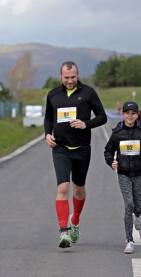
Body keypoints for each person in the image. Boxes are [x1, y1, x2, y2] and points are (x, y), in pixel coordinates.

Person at [44, 61, 107, 248]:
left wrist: (85, 124)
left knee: (78, 189)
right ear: (60, 76)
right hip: (60, 148)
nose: (70, 81)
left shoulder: (88, 93)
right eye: (66, 77)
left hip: (82, 148)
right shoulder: (53, 94)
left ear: (78, 74)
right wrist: (47, 134)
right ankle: (64, 232)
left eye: (73, 77)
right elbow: (48, 117)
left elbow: (102, 116)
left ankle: (75, 220)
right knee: (63, 188)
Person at [104, 101, 141, 254]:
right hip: (123, 174)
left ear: (137, 115)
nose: (130, 115)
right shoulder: (117, 132)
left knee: (137, 206)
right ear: (123, 114)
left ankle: (139, 215)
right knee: (129, 205)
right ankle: (129, 240)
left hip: (139, 173)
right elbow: (108, 151)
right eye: (127, 113)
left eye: (133, 113)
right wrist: (111, 161)